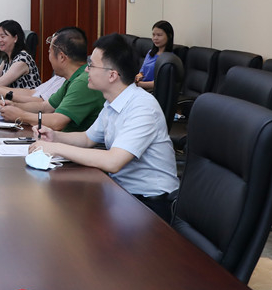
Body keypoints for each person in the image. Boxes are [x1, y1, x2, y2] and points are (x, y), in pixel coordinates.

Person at [34, 33, 180, 222]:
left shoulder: (142, 107)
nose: (87, 70)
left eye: (92, 65)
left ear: (112, 75)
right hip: (122, 193)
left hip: (151, 204)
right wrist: (54, 136)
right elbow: (87, 138)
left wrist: (55, 148)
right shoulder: (112, 102)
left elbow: (113, 162)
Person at [0, 27, 105, 132]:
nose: (49, 57)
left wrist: (20, 115)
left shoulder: (82, 81)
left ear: (61, 57)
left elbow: (57, 122)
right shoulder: (72, 78)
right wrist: (14, 106)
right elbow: (45, 107)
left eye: (49, 52)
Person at [135, 20, 174, 92]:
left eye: (159, 35)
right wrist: (136, 78)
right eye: (153, 35)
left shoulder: (169, 58)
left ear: (169, 36)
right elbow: (142, 72)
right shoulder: (150, 52)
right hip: (140, 88)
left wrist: (139, 84)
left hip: (152, 91)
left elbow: (159, 83)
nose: (155, 38)